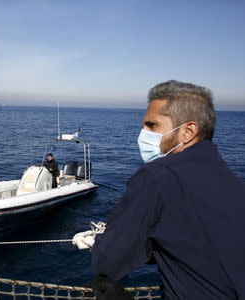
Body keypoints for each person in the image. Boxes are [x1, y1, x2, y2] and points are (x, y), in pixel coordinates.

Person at [72, 80, 245, 299]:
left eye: (152, 126)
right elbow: (194, 245)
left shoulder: (157, 176)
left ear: (188, 131)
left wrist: (98, 242)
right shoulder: (228, 179)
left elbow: (111, 263)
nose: (143, 133)